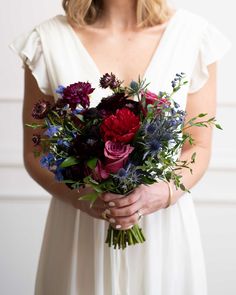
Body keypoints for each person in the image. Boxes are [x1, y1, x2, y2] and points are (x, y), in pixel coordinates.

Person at [10, 0, 231, 294]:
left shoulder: (193, 37)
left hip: (163, 233)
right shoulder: (47, 41)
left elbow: (198, 146)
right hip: (79, 234)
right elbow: (36, 151)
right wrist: (83, 198)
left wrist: (161, 193)